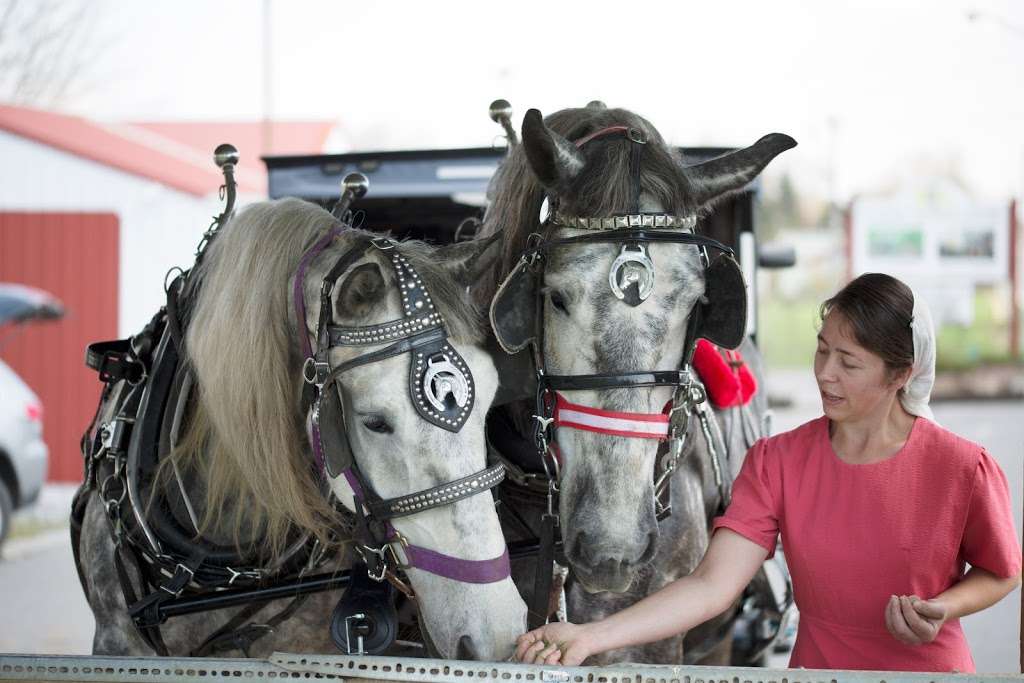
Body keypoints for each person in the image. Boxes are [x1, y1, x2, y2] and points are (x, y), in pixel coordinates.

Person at [515, 273, 1021, 672]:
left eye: (849, 362)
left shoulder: (961, 466)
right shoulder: (778, 461)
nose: (825, 372)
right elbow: (712, 585)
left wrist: (945, 608)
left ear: (901, 375)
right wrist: (590, 637)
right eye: (822, 349)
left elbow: (1002, 572)